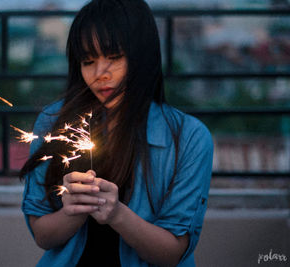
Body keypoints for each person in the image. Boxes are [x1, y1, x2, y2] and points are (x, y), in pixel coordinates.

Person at [20, 0, 213, 266]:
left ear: (142, 57)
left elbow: (172, 253)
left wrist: (116, 213)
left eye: (114, 58)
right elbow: (43, 235)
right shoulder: (53, 124)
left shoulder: (189, 138)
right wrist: (74, 211)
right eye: (88, 61)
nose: (100, 74)